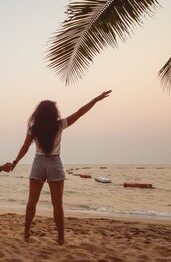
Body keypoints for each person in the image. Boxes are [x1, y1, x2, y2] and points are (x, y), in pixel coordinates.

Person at [10, 90, 112, 245]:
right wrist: (95, 100)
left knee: (32, 201)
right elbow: (79, 113)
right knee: (57, 203)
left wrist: (15, 162)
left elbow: (25, 147)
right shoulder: (59, 125)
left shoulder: (33, 128)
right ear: (53, 112)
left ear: (38, 113)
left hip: (38, 163)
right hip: (54, 162)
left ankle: (26, 233)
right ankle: (61, 238)